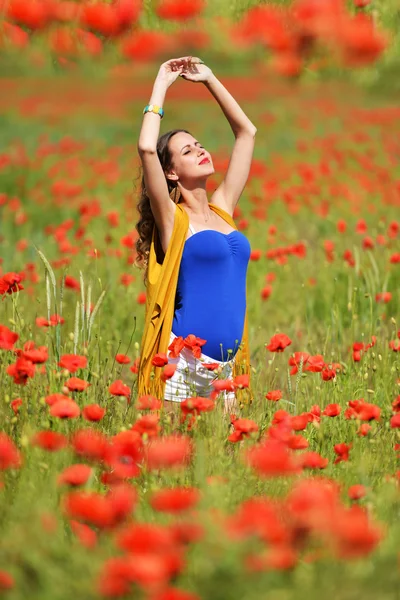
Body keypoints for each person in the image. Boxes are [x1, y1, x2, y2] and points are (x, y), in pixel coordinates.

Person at [135, 56, 257, 413]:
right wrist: (162, 83)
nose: (201, 150)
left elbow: (247, 133)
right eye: (187, 151)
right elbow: (146, 148)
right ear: (171, 173)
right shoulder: (174, 220)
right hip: (183, 366)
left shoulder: (223, 208)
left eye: (199, 144)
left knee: (226, 465)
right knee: (170, 463)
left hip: (229, 367)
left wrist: (210, 80)